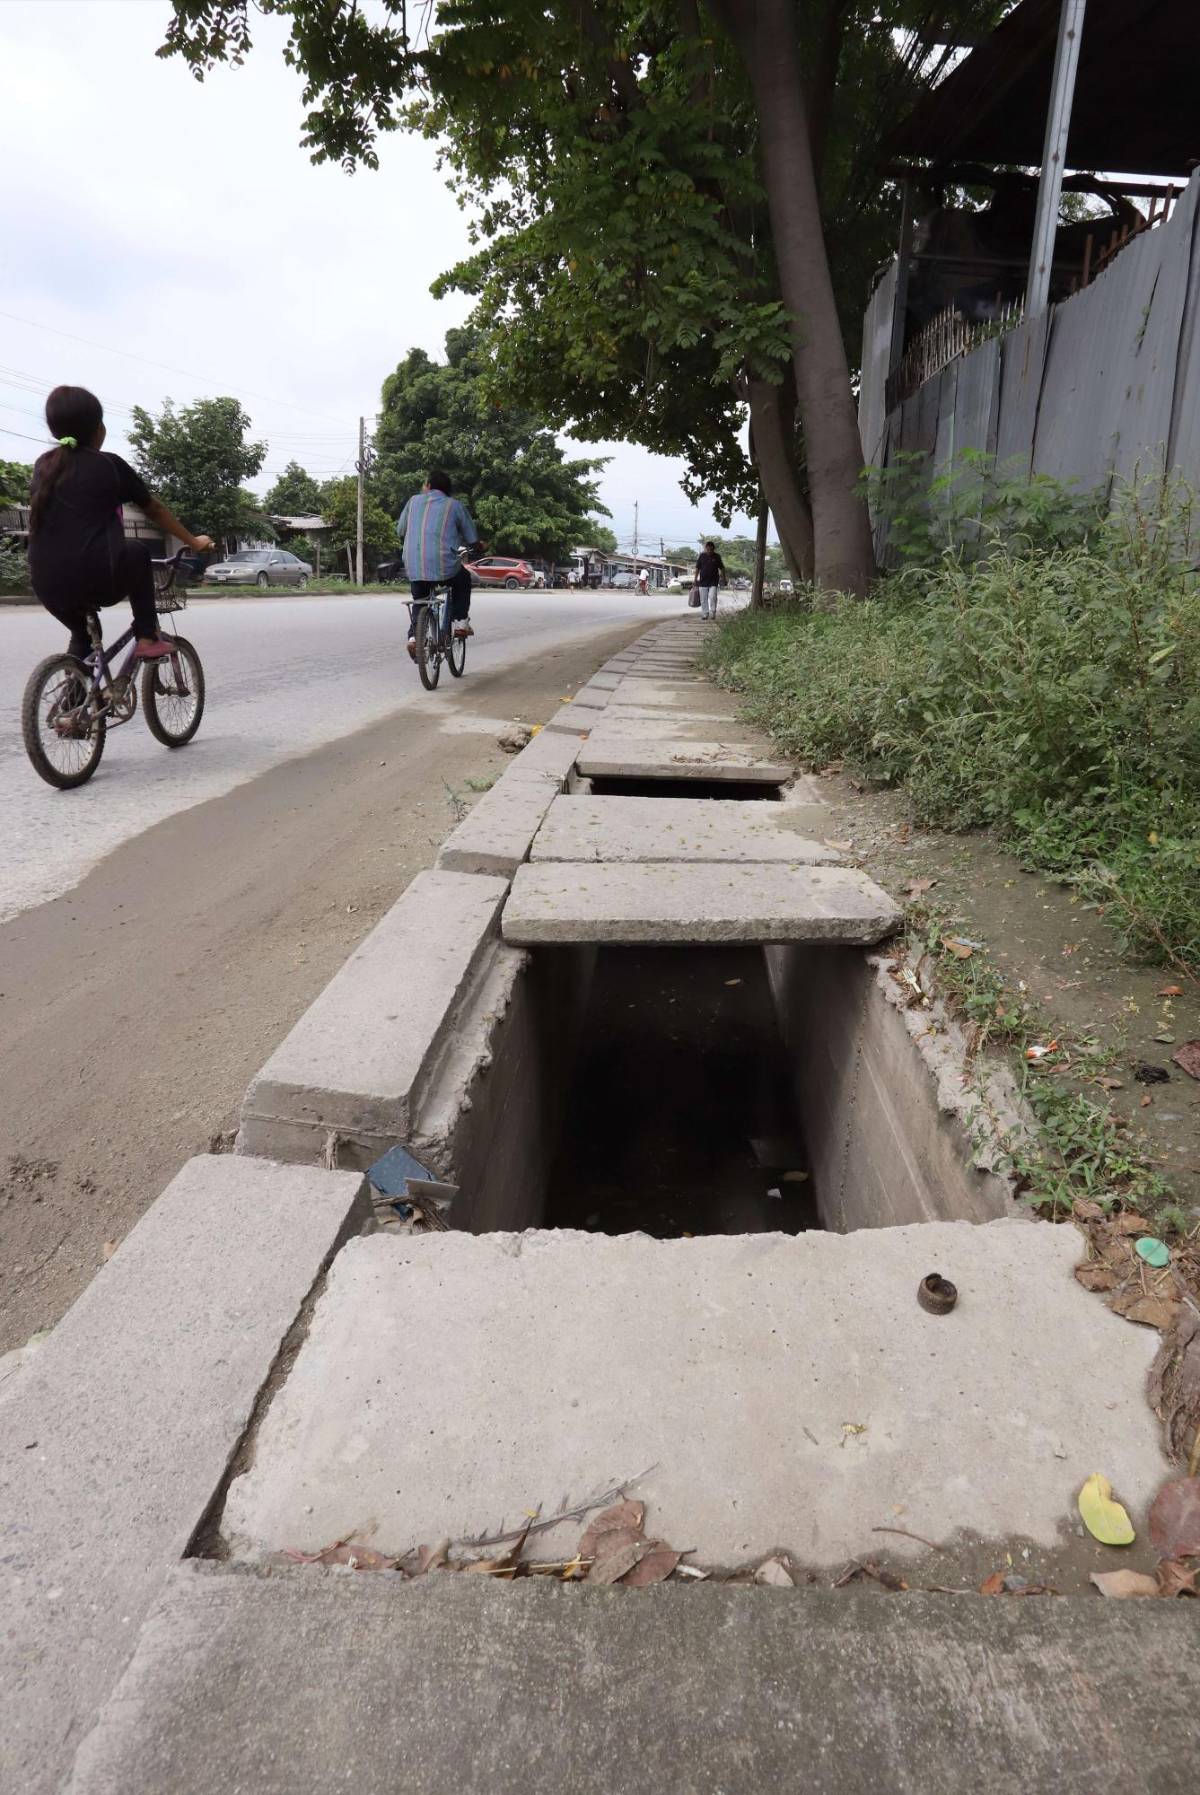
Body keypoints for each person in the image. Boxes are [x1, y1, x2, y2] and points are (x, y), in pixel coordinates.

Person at [27, 386, 213, 666]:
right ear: (98, 428)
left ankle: (74, 704)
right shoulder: (108, 465)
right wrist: (193, 540)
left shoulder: (44, 467)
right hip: (95, 575)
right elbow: (154, 509)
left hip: (46, 582)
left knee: (84, 633)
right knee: (137, 552)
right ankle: (148, 636)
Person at [395, 470, 481, 660]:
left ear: (428, 486)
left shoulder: (413, 501)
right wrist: (478, 546)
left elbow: (400, 530)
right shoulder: (455, 506)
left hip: (414, 565)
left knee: (420, 599)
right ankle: (460, 624)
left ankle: (413, 638)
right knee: (463, 579)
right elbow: (472, 537)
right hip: (445, 566)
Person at [694, 541, 727, 619]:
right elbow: (697, 568)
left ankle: (713, 612)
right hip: (702, 581)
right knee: (703, 599)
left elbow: (722, 568)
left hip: (713, 581)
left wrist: (724, 578)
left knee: (713, 597)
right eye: (708, 549)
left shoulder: (717, 556)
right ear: (705, 548)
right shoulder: (701, 556)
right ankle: (705, 613)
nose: (709, 551)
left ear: (713, 549)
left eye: (711, 550)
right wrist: (695, 579)